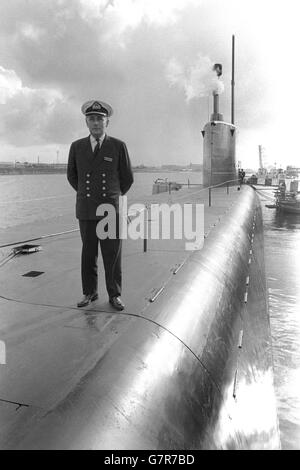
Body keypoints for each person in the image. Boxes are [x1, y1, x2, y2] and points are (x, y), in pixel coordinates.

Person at [67, 100, 134, 310]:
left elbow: (127, 178)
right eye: (92, 119)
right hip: (86, 209)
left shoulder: (118, 146)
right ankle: (90, 292)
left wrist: (112, 197)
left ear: (107, 122)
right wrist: (88, 195)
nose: (96, 123)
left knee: (112, 255)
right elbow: (72, 176)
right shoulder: (77, 146)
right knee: (88, 254)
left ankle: (114, 295)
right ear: (87, 122)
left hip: (109, 211)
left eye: (100, 119)